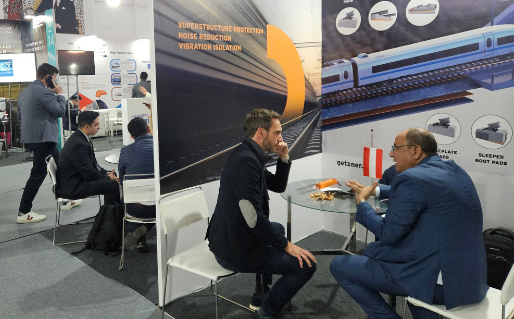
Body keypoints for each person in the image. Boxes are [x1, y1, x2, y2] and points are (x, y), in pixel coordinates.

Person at [331, 128, 487, 319]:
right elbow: (419, 191)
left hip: (437, 281)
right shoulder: (453, 170)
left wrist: (362, 203)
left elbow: (388, 234)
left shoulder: (411, 178)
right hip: (470, 280)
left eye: (396, 148)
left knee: (340, 265)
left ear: (415, 151)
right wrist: (373, 190)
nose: (391, 154)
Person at [207, 109, 317, 319]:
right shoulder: (246, 162)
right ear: (261, 133)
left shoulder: (248, 154)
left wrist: (284, 158)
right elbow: (253, 218)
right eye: (277, 132)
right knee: (306, 266)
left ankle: (261, 294)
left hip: (233, 237)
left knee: (277, 229)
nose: (281, 138)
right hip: (234, 250)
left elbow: (277, 185)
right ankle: (266, 313)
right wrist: (286, 245)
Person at [16, 63, 67, 223]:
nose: (55, 81)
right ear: (48, 77)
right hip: (43, 139)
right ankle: (24, 212)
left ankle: (65, 198)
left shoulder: (25, 91)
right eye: (54, 78)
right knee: (38, 174)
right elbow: (60, 111)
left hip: (33, 138)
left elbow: (19, 115)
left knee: (58, 168)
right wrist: (60, 95)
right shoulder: (45, 92)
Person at [56, 111, 119, 209]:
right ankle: (110, 216)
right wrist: (107, 178)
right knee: (113, 185)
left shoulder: (81, 138)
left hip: (77, 178)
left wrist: (107, 173)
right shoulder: (78, 144)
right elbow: (89, 174)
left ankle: (112, 212)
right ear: (86, 126)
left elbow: (94, 165)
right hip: (73, 186)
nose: (98, 127)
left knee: (113, 175)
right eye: (96, 125)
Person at [118, 116, 155, 252]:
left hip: (135, 209)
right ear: (149, 129)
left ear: (132, 136)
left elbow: (122, 181)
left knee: (125, 196)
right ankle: (144, 229)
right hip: (160, 206)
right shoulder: (162, 146)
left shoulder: (125, 152)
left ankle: (139, 234)